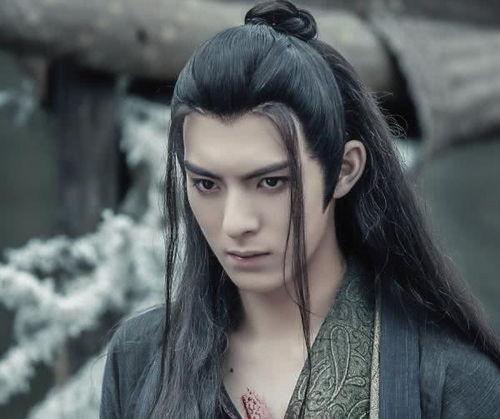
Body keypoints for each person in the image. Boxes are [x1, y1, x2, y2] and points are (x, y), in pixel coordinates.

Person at [99, 1, 500, 418]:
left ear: (344, 170)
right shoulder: (140, 359)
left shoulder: (449, 381)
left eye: (271, 182)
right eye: (207, 184)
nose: (236, 223)